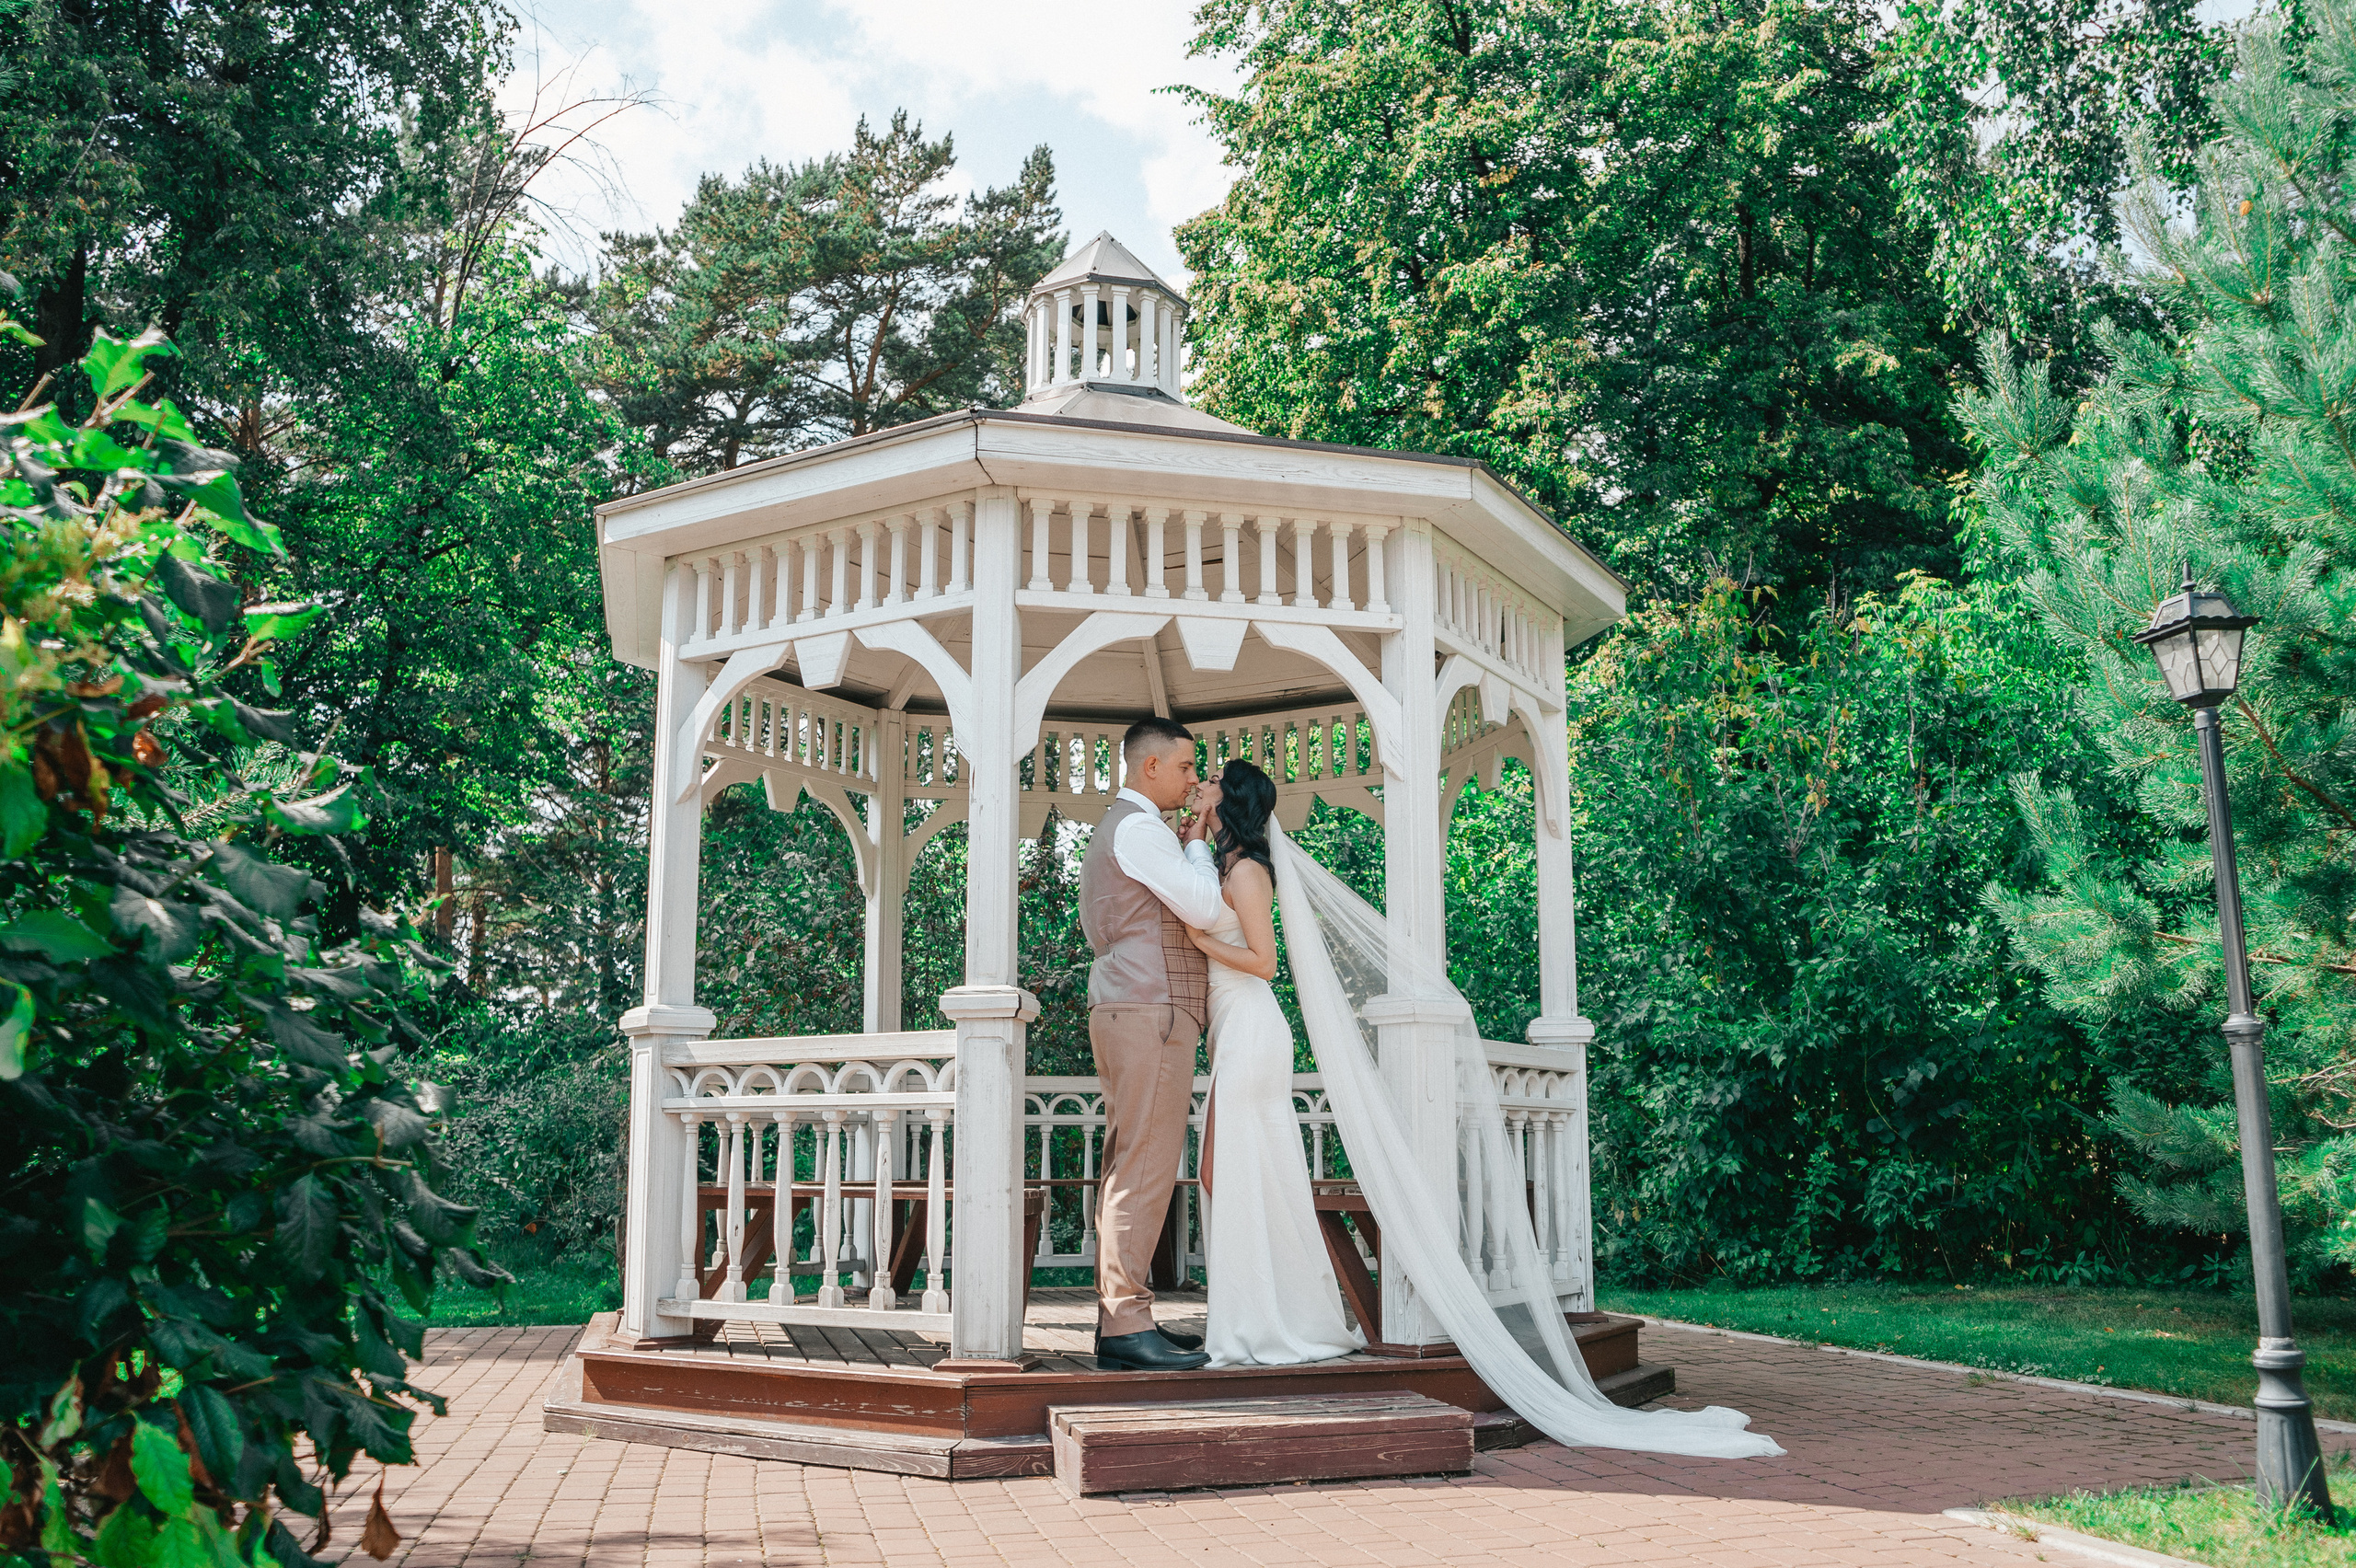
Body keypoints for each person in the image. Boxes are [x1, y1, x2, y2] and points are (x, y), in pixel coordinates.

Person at [1184, 760, 1363, 1366]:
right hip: (1232, 1031)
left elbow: (1265, 962)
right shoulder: (1222, 863)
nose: (1198, 786)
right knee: (1228, 1171)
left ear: (1228, 797)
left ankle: (1271, 1321)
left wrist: (1201, 942)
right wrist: (1195, 837)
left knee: (1226, 1170)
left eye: (1207, 782)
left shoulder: (1250, 872)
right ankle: (1255, 1313)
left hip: (1254, 1029)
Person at [1076, 717, 1223, 1371]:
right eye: (1188, 766)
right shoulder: (1139, 828)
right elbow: (1204, 906)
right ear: (1151, 767)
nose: (1195, 779)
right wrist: (1196, 845)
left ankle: (1122, 1322)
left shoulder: (1124, 828)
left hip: (1126, 1007)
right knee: (1143, 1168)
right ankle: (1128, 1328)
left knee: (1126, 1165)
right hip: (1150, 1010)